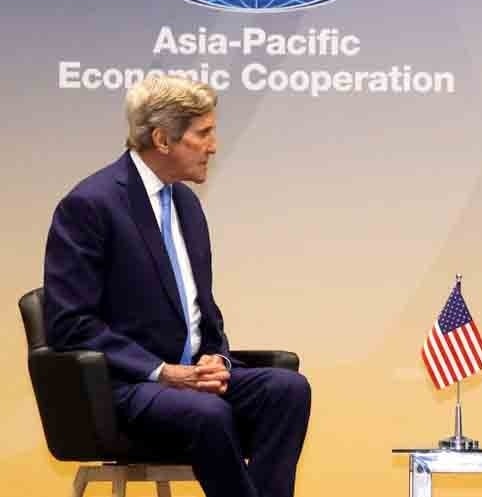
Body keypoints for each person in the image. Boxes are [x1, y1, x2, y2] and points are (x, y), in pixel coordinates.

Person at [44, 74, 311, 497]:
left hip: (188, 382)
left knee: (287, 390)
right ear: (162, 139)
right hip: (127, 386)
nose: (214, 145)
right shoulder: (90, 205)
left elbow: (203, 311)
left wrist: (215, 360)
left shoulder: (185, 203)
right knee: (207, 413)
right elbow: (69, 324)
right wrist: (164, 372)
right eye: (202, 134)